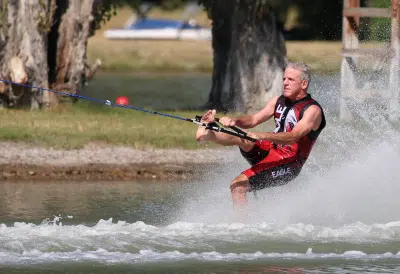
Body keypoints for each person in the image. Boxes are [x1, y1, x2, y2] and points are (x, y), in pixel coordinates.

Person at [195, 62, 326, 207]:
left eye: (290, 80)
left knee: (238, 186)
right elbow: (253, 120)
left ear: (304, 84)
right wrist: (234, 120)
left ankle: (241, 227)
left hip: (289, 163)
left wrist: (260, 136)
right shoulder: (278, 101)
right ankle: (208, 132)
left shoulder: (312, 110)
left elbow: (294, 136)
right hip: (271, 150)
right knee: (243, 137)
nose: (285, 83)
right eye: (284, 79)